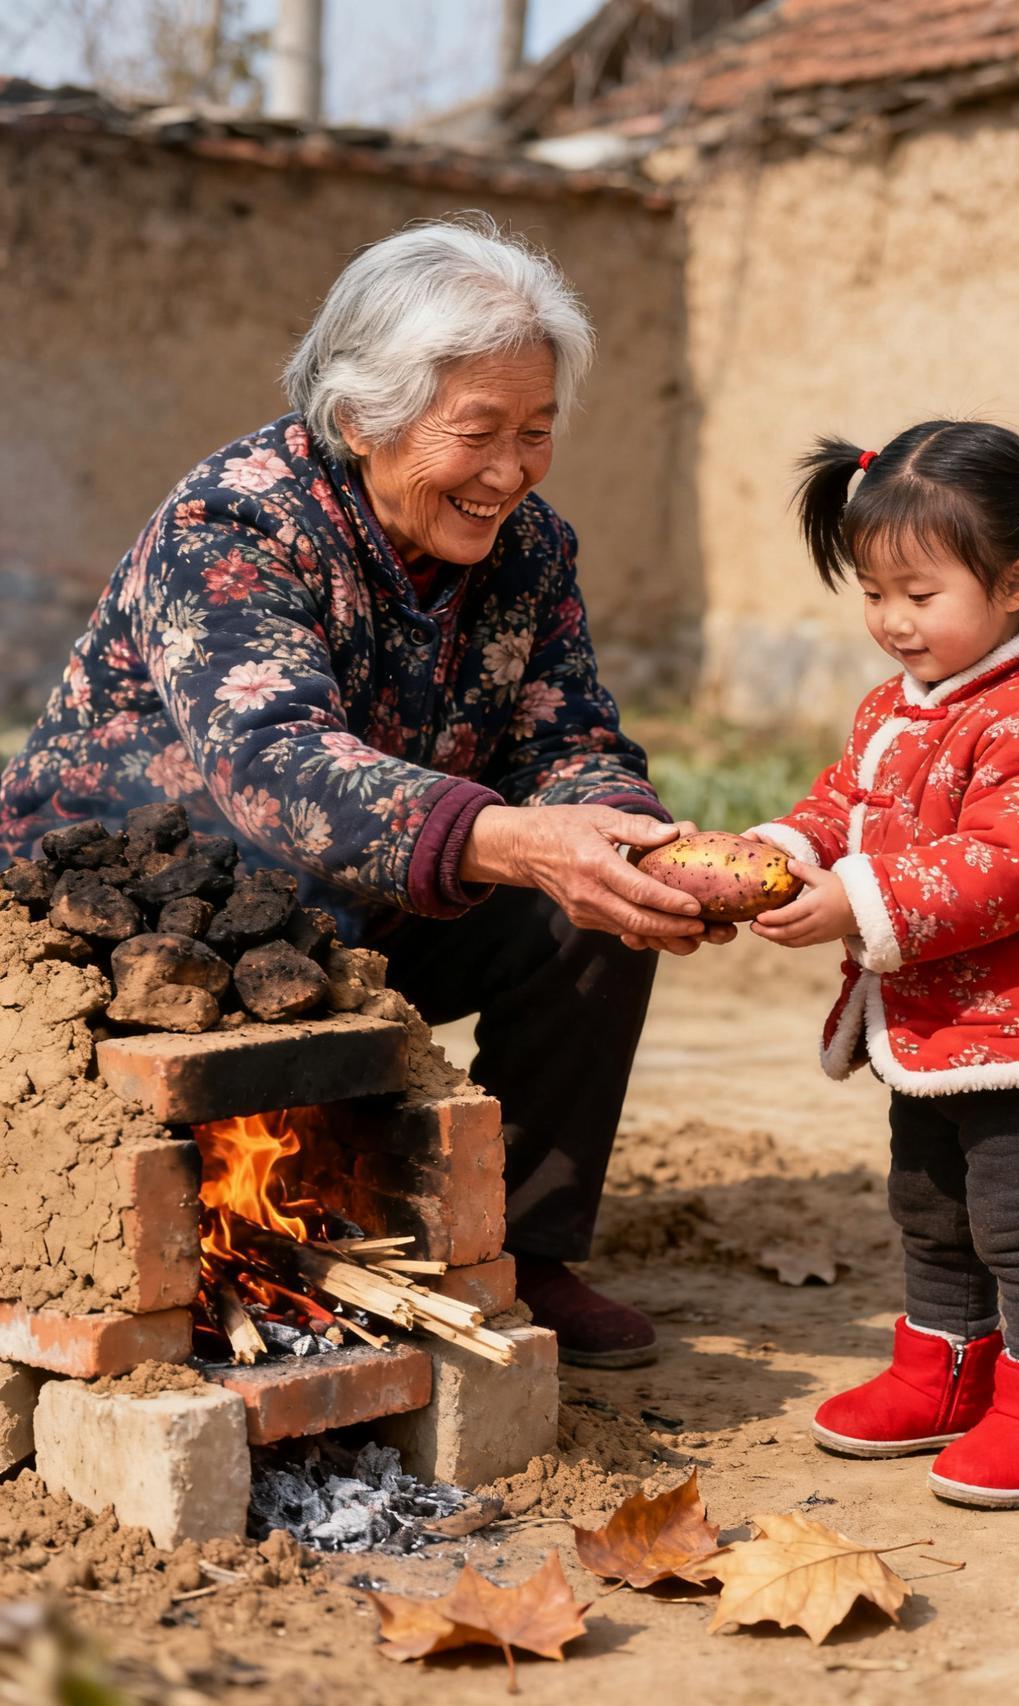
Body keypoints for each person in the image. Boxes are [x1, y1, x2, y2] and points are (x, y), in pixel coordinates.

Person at [0, 217, 733, 1368]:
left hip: (368, 894)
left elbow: (568, 738)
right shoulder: (235, 522)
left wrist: (627, 840)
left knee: (596, 899)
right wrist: (507, 836)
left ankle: (527, 1246)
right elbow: (272, 765)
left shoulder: (529, 548)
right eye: (477, 432)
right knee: (345, 878)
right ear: (360, 419)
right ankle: (253, 1250)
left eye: (535, 432)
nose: (509, 471)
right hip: (157, 921)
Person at [744, 421, 1019, 1508]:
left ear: (1016, 582)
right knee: (927, 1197)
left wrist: (855, 901)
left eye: (918, 596)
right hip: (930, 1018)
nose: (890, 622)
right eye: (872, 592)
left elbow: (1003, 863)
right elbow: (846, 799)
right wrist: (784, 852)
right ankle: (947, 1367)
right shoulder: (897, 704)